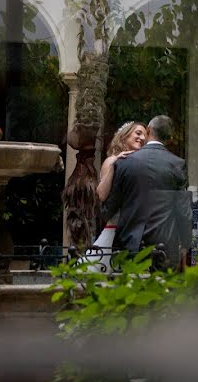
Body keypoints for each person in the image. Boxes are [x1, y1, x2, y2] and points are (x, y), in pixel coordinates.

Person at [101, 115, 191, 271]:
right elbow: (183, 211)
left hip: (129, 242)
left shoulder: (124, 162)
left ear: (148, 131)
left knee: (130, 293)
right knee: (163, 293)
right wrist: (186, 243)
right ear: (169, 139)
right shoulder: (177, 164)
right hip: (164, 245)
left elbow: (111, 205)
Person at [82, 121, 147, 272]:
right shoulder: (112, 160)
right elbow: (102, 194)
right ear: (124, 136)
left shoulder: (141, 163)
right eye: (138, 133)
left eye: (145, 135)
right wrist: (114, 165)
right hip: (115, 228)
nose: (142, 137)